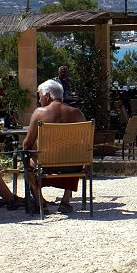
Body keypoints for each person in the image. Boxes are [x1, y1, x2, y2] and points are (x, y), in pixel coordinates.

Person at [22, 79, 86, 214]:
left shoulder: (39, 113)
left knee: (27, 159)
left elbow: (27, 144)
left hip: (46, 164)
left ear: (47, 96)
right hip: (73, 165)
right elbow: (84, 144)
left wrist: (28, 150)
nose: (39, 101)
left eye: (39, 96)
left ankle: (40, 202)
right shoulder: (77, 114)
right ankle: (65, 201)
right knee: (75, 155)